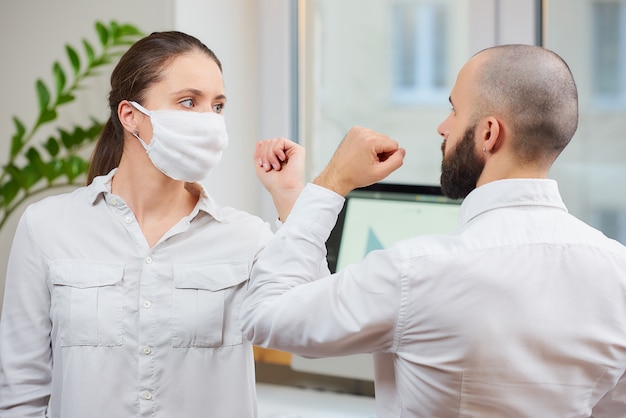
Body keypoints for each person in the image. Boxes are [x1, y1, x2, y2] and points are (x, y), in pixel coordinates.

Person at [242, 44, 626, 417]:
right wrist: (291, 198)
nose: (442, 128)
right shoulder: (618, 271)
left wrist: (332, 181)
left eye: (454, 111)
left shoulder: (418, 271)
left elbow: (268, 317)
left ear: (489, 133)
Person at [0, 31, 302, 417]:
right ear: (131, 116)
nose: (209, 121)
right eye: (189, 102)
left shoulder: (246, 238)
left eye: (218, 106)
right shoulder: (46, 227)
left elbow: (313, 328)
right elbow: (22, 390)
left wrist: (289, 197)